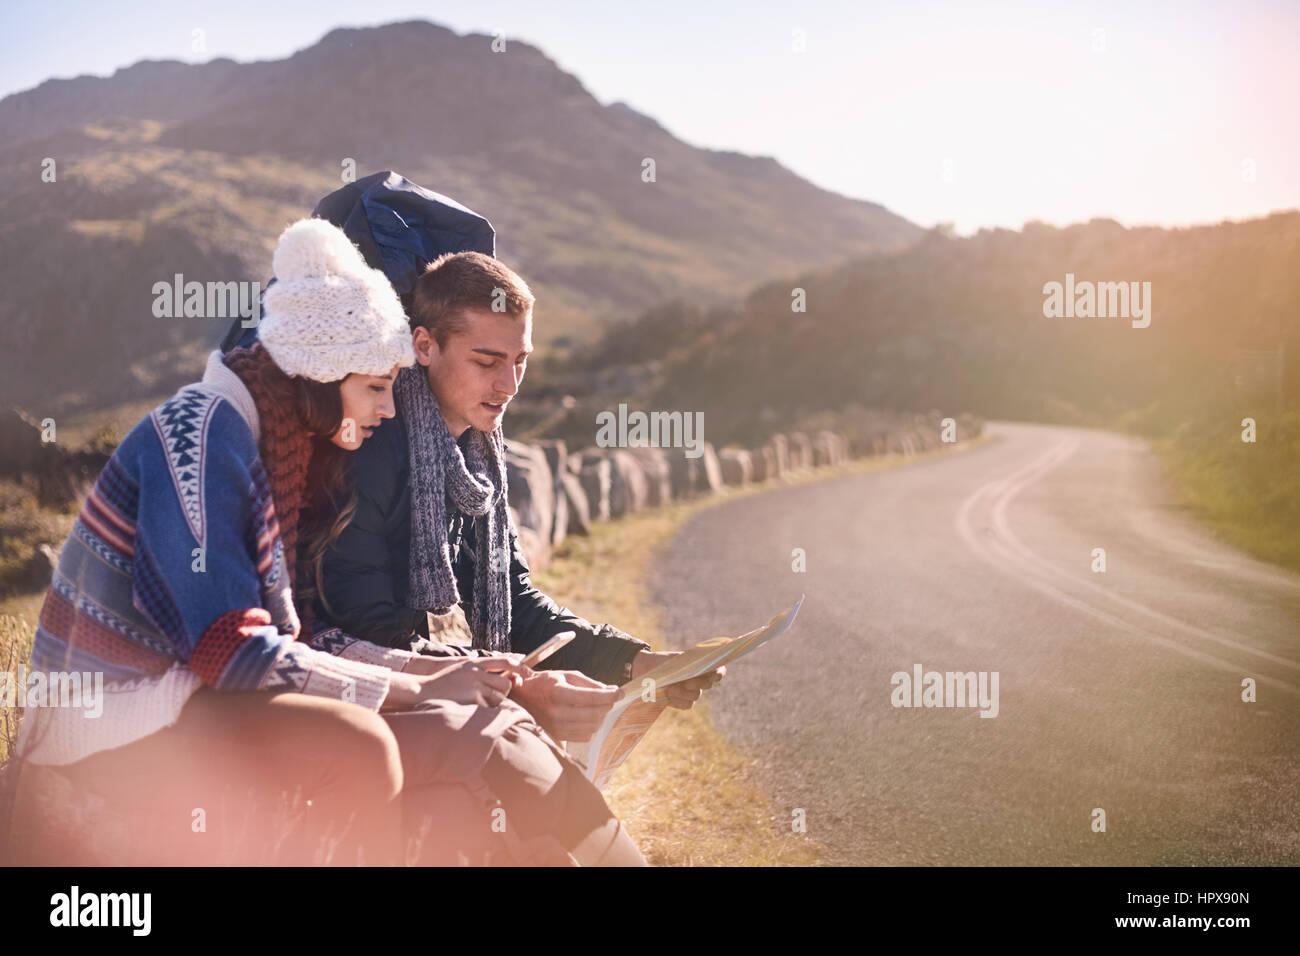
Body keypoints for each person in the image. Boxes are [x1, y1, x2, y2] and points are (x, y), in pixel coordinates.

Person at [10, 217, 644, 865]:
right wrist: (418, 690)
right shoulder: (201, 435)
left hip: (197, 698)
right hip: (122, 721)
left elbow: (295, 639)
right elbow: (229, 651)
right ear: (318, 377)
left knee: (478, 724)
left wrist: (440, 671)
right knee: (364, 746)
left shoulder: (274, 450)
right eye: (375, 387)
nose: (389, 408)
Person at [316, 247, 725, 747]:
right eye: (487, 361)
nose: (509, 385)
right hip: (339, 691)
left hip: (409, 680)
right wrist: (521, 690)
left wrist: (639, 662)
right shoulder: (372, 448)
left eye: (520, 361)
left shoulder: (477, 457)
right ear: (424, 346)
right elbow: (367, 629)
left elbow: (517, 604)